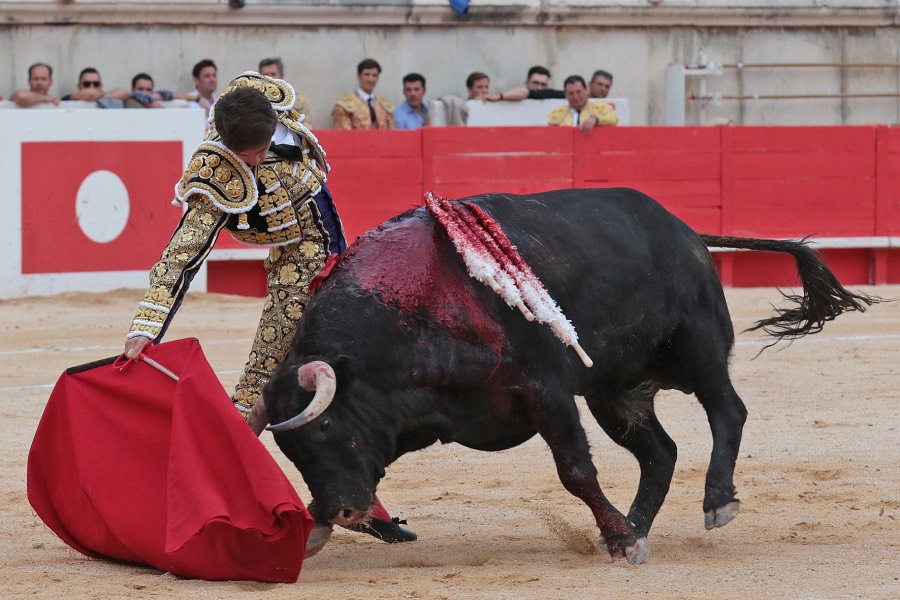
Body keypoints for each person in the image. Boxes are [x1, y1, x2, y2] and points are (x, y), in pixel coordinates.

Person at [122, 72, 416, 544]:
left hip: (345, 266)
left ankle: (361, 503)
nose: (256, 160)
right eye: (249, 156)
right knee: (258, 390)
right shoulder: (218, 173)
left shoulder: (267, 104)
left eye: (259, 150)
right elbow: (182, 254)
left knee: (360, 383)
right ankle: (199, 502)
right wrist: (147, 325)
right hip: (296, 276)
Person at [331, 58, 394, 129]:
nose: (371, 79)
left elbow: (392, 134)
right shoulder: (344, 105)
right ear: (358, 75)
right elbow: (343, 136)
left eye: (374, 75)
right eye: (367, 74)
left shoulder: (384, 105)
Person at [546, 75, 618, 134]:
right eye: (571, 93)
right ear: (566, 95)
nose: (576, 97)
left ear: (586, 90)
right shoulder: (557, 114)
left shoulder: (600, 108)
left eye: (578, 92)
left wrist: (596, 119)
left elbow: (614, 118)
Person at [258, 57, 313, 127]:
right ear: (259, 77)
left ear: (281, 76)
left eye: (273, 74)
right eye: (265, 75)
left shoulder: (298, 101)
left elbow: (307, 127)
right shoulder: (253, 99)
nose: (269, 78)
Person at [487, 65, 565, 102]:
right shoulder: (514, 96)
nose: (539, 88)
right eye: (535, 83)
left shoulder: (553, 95)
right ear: (527, 83)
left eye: (543, 84)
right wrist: (500, 96)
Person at [60, 67, 128, 106]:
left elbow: (125, 92)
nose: (91, 87)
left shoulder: (104, 97)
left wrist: (102, 96)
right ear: (79, 86)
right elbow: (91, 94)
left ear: (100, 85)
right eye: (87, 84)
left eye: (96, 84)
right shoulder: (69, 98)